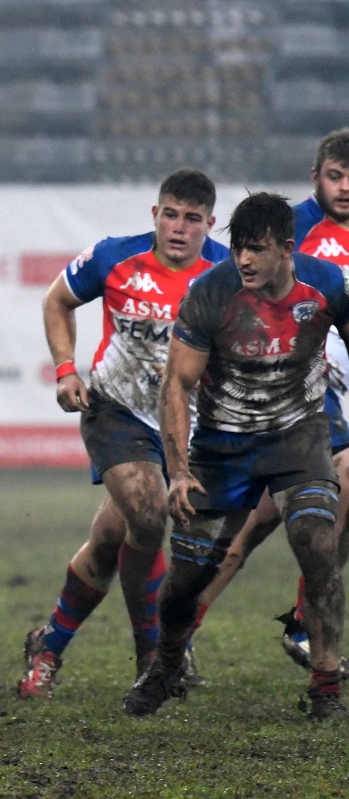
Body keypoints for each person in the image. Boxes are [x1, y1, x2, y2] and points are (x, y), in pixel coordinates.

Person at [123, 192, 349, 720]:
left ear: (287, 249)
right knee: (185, 581)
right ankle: (166, 665)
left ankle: (325, 685)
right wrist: (178, 472)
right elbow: (176, 386)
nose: (244, 260)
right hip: (223, 446)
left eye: (256, 249)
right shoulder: (210, 292)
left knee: (318, 544)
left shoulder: (328, 285)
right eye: (237, 248)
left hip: (297, 438)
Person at [17, 170, 228, 699]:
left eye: (192, 219)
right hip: (118, 410)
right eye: (170, 214)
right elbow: (56, 300)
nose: (178, 227)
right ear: (155, 214)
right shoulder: (114, 257)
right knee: (150, 515)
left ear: (210, 223)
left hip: (189, 425)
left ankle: (48, 644)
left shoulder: (226, 274)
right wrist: (65, 370)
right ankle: (153, 655)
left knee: (112, 540)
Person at [193, 129, 349, 672]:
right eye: (336, 176)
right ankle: (192, 626)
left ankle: (305, 624)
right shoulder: (288, 229)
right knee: (257, 521)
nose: (346, 187)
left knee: (288, 519)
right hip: (294, 391)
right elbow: (228, 280)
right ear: (316, 177)